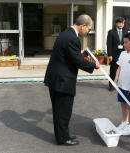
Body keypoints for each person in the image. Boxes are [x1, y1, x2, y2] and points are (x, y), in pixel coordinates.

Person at [44, 14, 100, 146]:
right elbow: (77, 61)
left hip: (56, 78)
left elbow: (69, 54)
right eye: (89, 29)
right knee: (63, 111)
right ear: (83, 26)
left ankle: (63, 134)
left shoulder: (67, 34)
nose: (88, 32)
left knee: (60, 110)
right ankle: (63, 139)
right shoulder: (72, 38)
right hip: (62, 80)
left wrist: (80, 53)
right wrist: (93, 65)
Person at [107, 17, 128, 91]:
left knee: (121, 70)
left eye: (122, 23)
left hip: (122, 53)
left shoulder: (126, 32)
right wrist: (109, 55)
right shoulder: (111, 32)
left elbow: (127, 43)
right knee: (113, 70)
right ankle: (111, 85)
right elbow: (109, 44)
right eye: (119, 22)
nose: (121, 24)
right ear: (116, 23)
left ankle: (119, 84)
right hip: (114, 54)